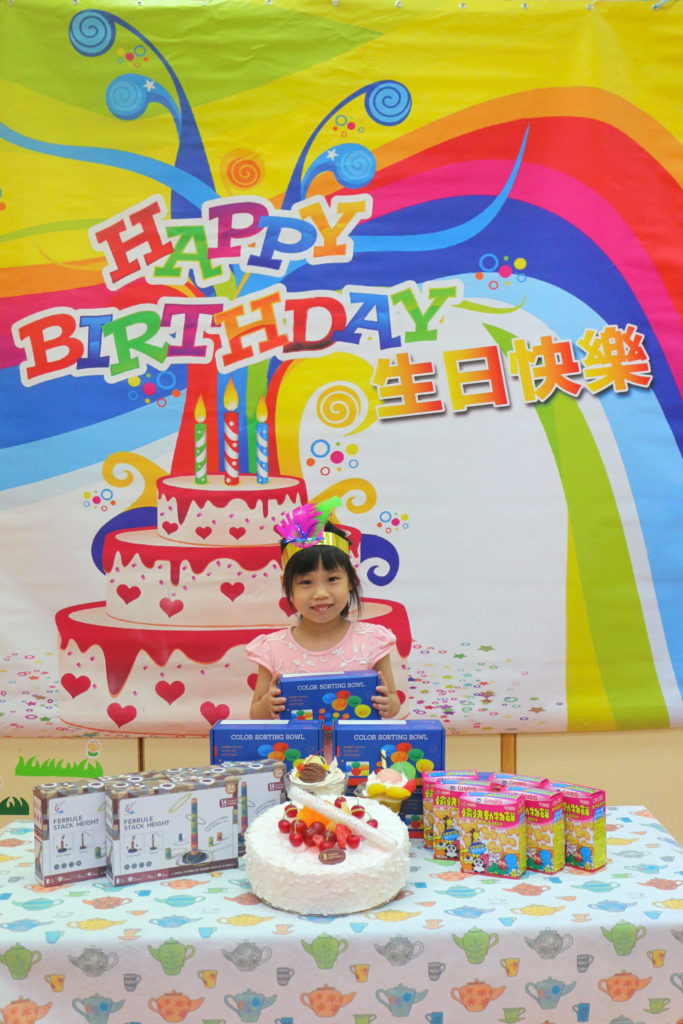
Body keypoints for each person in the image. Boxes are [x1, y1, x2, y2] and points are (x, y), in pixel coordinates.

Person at [247, 498, 400, 721]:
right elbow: (255, 714)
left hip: (355, 744)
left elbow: (393, 702)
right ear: (287, 586)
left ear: (351, 581)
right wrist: (267, 705)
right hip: (296, 745)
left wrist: (387, 703)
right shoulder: (273, 649)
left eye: (332, 579)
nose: (320, 593)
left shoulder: (373, 641)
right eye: (306, 582)